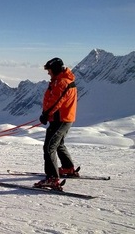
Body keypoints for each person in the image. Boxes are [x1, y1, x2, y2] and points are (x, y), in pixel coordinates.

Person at [34, 57, 78, 190]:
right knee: (58, 144)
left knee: (49, 148)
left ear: (56, 69)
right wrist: (47, 114)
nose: (48, 73)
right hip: (63, 119)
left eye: (50, 70)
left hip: (60, 119)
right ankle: (68, 168)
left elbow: (56, 101)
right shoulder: (62, 80)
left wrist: (46, 114)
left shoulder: (62, 82)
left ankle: (52, 178)